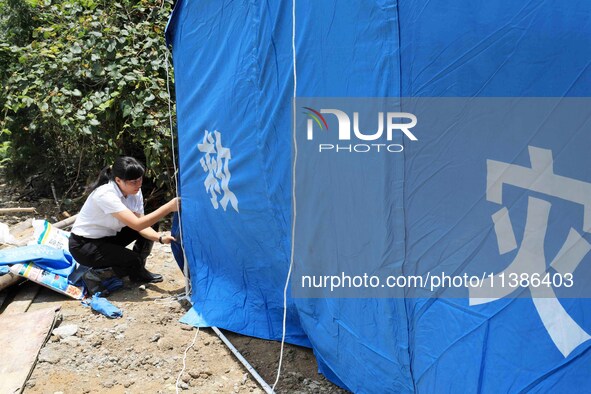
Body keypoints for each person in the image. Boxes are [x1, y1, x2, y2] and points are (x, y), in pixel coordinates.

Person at [68, 156, 179, 284]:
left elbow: (141, 224)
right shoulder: (105, 194)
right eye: (133, 182)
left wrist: (160, 238)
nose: (139, 184)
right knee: (131, 260)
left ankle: (138, 271)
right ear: (118, 180)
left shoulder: (135, 192)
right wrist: (169, 207)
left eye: (140, 179)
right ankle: (94, 275)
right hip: (85, 245)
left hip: (109, 236)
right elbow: (137, 224)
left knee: (151, 224)